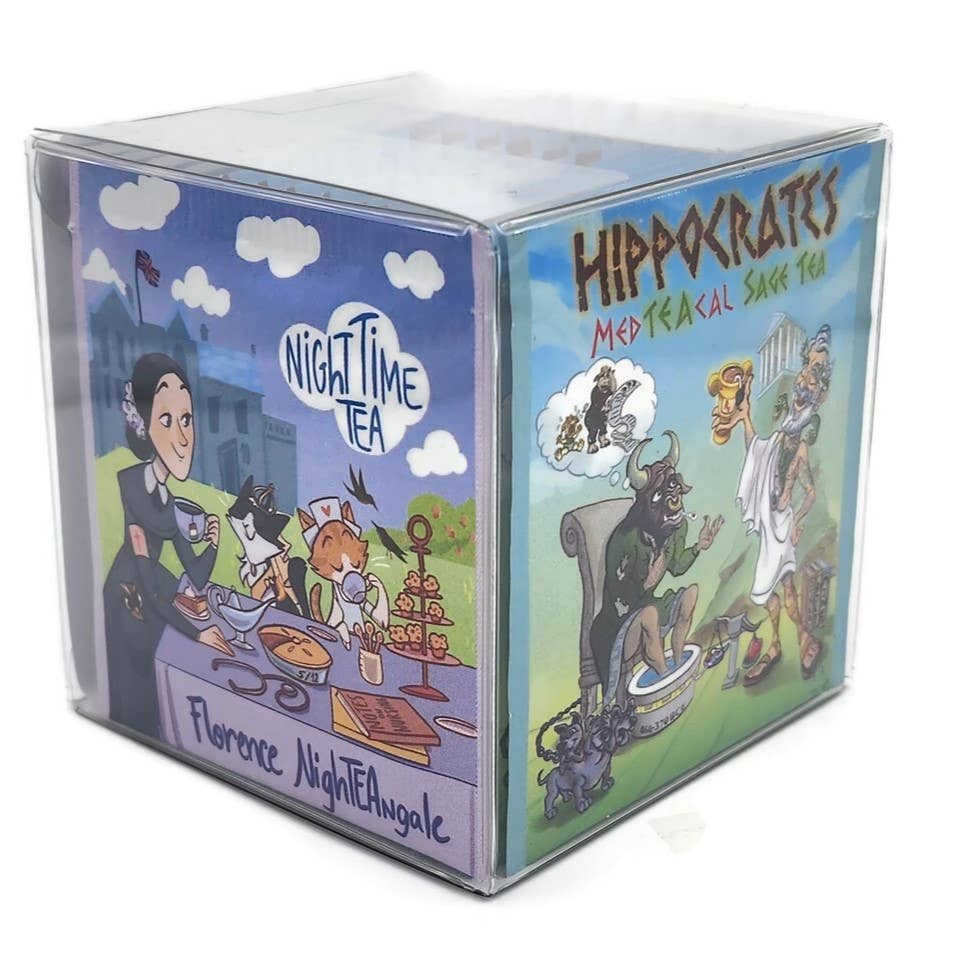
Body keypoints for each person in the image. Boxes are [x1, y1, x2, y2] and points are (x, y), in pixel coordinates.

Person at [103, 353, 233, 739]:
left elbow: (197, 574)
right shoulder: (130, 487)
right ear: (143, 425)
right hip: (128, 604)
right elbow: (146, 587)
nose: (183, 436)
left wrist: (213, 542)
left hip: (152, 600)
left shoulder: (169, 500)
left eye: (187, 419)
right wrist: (198, 633)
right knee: (137, 709)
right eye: (166, 420)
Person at [709, 325, 832, 685]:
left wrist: (799, 520)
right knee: (772, 591)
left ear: (818, 395)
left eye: (812, 381)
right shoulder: (781, 437)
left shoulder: (800, 443)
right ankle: (782, 642)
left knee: (779, 588)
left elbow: (809, 492)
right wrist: (745, 416)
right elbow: (757, 451)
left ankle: (800, 640)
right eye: (802, 378)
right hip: (770, 524)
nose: (802, 387)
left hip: (781, 524)